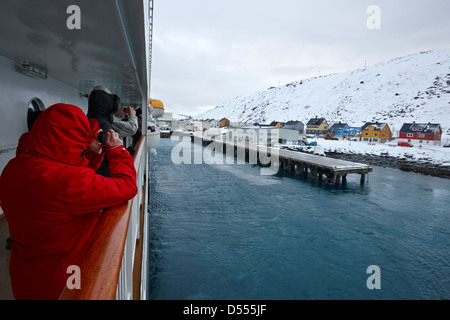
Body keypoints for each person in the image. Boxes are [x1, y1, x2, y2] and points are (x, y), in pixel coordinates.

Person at [0, 103, 137, 300]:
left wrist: (89, 155)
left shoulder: (14, 167)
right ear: (73, 138)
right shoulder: (70, 182)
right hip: (62, 281)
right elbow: (127, 186)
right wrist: (116, 150)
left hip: (25, 273)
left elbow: (61, 180)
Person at [87, 85, 121, 176]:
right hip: (102, 174)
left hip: (91, 172)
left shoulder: (88, 120)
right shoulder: (105, 125)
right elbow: (111, 154)